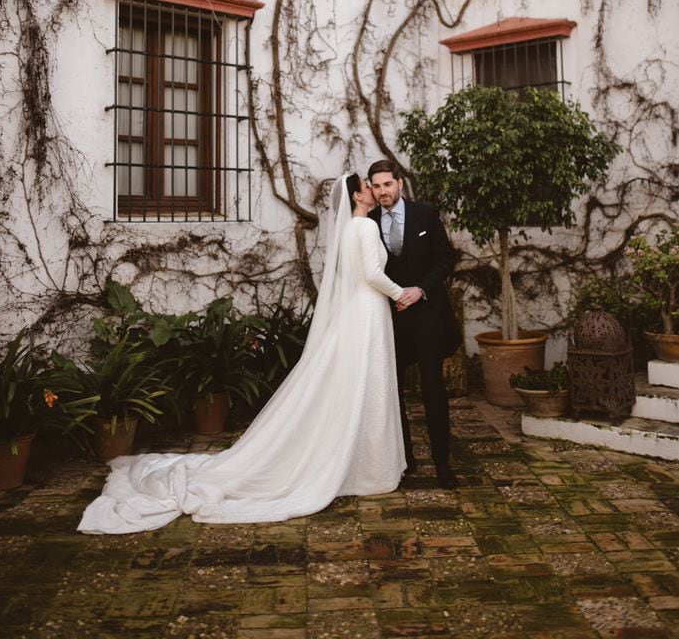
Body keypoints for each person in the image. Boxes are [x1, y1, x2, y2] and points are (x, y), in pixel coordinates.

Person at [78, 173, 406, 533]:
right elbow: (373, 274)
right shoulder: (366, 228)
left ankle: (361, 461)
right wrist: (401, 292)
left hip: (357, 312)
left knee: (360, 383)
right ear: (358, 195)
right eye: (370, 187)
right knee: (368, 382)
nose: (376, 192)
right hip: (368, 310)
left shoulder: (349, 228)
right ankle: (372, 468)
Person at [368, 158, 461, 489]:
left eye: (387, 185)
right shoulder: (366, 221)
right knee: (392, 392)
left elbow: (446, 258)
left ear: (399, 184)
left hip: (426, 316)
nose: (382, 192)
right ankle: (404, 460)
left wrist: (420, 289)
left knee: (433, 390)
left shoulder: (425, 214)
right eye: (376, 186)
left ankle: (442, 464)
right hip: (389, 319)